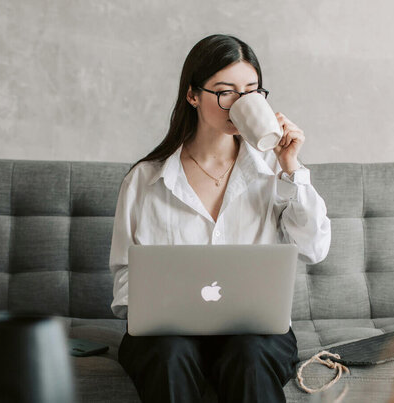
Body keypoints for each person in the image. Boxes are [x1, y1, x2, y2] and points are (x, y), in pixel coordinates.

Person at [108, 34, 332, 403]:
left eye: (251, 92)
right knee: (168, 355)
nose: (240, 103)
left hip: (254, 334)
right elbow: (124, 278)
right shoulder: (145, 180)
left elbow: (315, 249)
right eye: (225, 91)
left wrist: (291, 167)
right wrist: (158, 308)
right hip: (167, 337)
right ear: (193, 95)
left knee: (250, 355)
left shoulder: (274, 174)